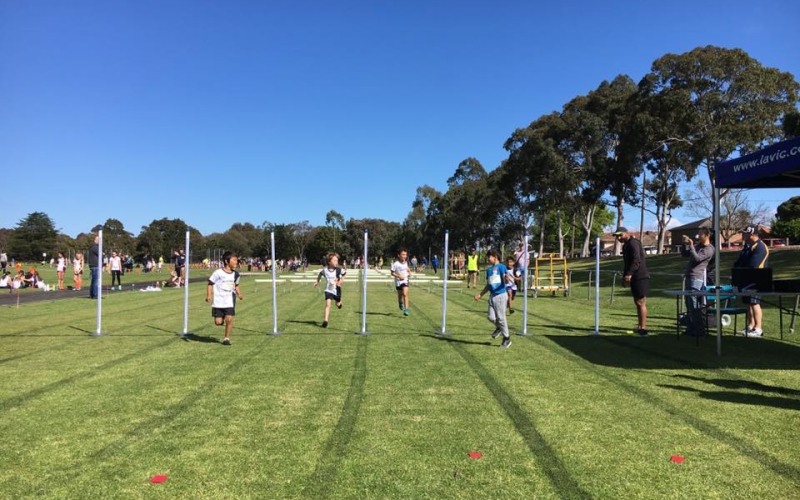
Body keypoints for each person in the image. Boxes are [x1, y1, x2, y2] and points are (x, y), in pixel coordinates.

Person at [733, 225, 770, 337]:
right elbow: (739, 262)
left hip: (757, 279)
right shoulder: (748, 246)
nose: (743, 235)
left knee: (754, 303)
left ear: (752, 234)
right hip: (746, 280)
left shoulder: (760, 247)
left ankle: (758, 328)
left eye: (745, 233)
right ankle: (750, 326)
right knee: (748, 303)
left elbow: (753, 265)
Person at [614, 227, 650, 336]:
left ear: (626, 233)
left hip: (640, 276)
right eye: (617, 236)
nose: (618, 238)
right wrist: (625, 276)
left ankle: (643, 329)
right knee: (637, 302)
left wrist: (629, 273)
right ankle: (639, 327)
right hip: (633, 277)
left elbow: (636, 260)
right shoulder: (626, 246)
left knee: (641, 302)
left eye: (620, 235)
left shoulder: (634, 243)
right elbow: (627, 263)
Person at [474, 249, 512, 348]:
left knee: (501, 318)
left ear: (495, 256)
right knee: (491, 317)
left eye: (489, 256)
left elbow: (505, 278)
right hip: (492, 296)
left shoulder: (501, 267)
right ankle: (499, 328)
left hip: (500, 295)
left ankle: (507, 339)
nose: (488, 258)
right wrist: (480, 295)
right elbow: (488, 285)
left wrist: (506, 280)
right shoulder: (489, 270)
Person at [680, 228, 714, 336]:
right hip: (689, 277)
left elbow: (697, 259)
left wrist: (691, 246)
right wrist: (685, 244)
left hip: (696, 279)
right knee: (688, 304)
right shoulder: (698, 246)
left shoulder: (709, 249)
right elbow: (685, 254)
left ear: (707, 235)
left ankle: (699, 329)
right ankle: (691, 328)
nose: (698, 236)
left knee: (694, 304)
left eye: (700, 234)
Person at [206, 251, 243, 345]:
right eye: (234, 260)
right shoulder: (218, 273)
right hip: (218, 301)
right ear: (227, 261)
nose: (236, 262)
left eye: (237, 260)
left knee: (229, 319)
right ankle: (221, 318)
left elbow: (236, 285)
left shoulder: (236, 274)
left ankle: (226, 338)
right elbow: (210, 284)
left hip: (229, 300)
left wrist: (239, 294)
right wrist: (209, 295)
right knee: (218, 322)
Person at [314, 252, 346, 328]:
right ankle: (325, 320)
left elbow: (344, 274)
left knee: (337, 304)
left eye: (337, 260)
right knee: (328, 304)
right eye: (334, 260)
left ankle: (339, 303)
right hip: (328, 290)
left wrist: (341, 280)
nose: (336, 262)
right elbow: (320, 274)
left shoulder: (338, 270)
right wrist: (317, 282)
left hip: (337, 290)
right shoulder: (325, 271)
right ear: (329, 262)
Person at [390, 248, 411, 316]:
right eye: (403, 254)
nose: (404, 256)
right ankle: (400, 302)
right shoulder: (395, 264)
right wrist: (399, 276)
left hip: (405, 280)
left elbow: (407, 268)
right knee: (400, 295)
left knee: (405, 293)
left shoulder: (406, 262)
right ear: (399, 255)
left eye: (405, 255)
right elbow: (392, 273)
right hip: (398, 281)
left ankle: (406, 309)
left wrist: (409, 272)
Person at [88, 235, 101, 299]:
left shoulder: (92, 247)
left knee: (93, 281)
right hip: (95, 265)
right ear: (96, 240)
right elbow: (100, 254)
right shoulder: (95, 247)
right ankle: (95, 295)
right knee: (96, 281)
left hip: (93, 265)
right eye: (99, 240)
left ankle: (92, 294)